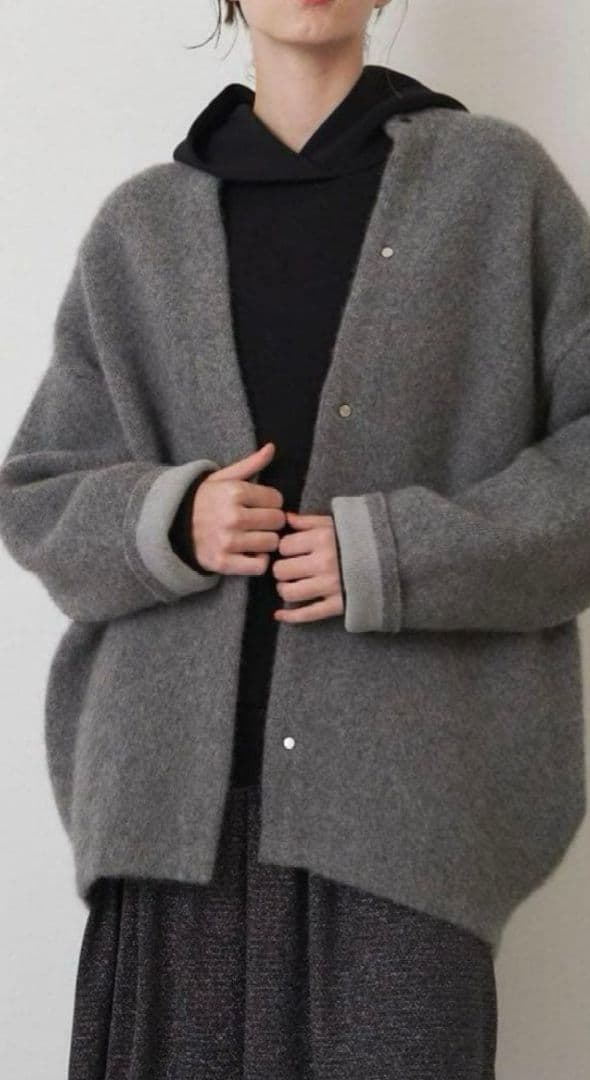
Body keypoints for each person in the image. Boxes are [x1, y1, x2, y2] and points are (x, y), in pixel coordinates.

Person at [1, 1, 589, 1077]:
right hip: (171, 828)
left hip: (407, 829)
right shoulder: (141, 228)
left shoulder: (497, 190)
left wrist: (399, 553)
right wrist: (169, 518)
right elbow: (37, 490)